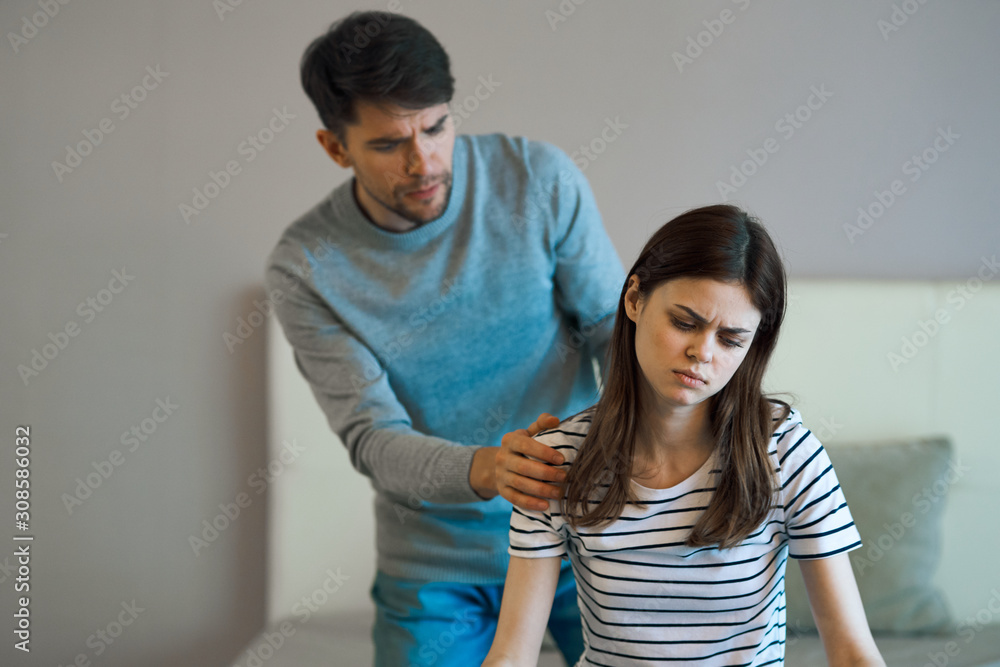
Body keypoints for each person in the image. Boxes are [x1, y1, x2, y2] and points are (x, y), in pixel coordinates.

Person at [264, 10, 624, 666]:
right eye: (387, 144)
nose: (424, 160)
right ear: (335, 148)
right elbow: (372, 435)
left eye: (436, 126)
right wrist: (488, 467)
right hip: (435, 565)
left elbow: (613, 332)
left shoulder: (538, 180)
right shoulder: (305, 266)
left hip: (586, 535)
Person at [483, 204, 886, 666]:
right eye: (685, 323)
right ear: (635, 300)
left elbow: (853, 652)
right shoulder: (556, 461)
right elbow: (510, 657)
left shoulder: (785, 450)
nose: (702, 353)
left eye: (731, 339)